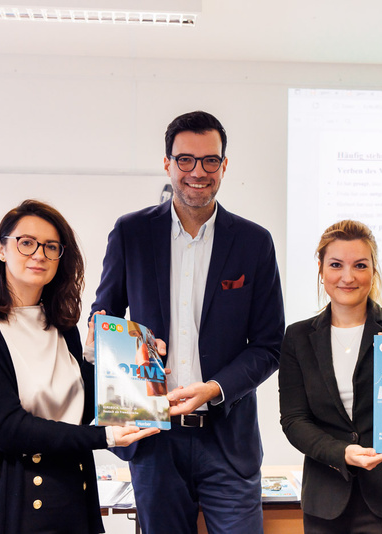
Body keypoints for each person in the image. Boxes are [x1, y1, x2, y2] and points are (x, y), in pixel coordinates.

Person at [90, 110, 285, 533]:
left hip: (228, 439)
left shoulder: (254, 242)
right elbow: (103, 316)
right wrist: (109, 337)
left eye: (209, 160)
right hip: (153, 435)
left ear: (224, 165)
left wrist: (215, 389)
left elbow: (270, 345)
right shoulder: (131, 233)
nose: (198, 171)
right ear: (167, 164)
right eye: (185, 160)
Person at [0, 199, 159, 534]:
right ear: (1, 249)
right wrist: (104, 437)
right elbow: (8, 429)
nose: (39, 255)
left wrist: (118, 355)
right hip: (16, 498)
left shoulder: (62, 325)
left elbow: (84, 406)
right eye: (26, 243)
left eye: (51, 247)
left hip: (74, 491)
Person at [279, 220, 382, 534]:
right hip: (326, 503)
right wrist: (341, 453)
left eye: (360, 265)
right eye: (336, 265)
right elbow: (294, 419)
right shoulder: (298, 336)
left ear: (373, 271)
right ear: (321, 269)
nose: (347, 277)